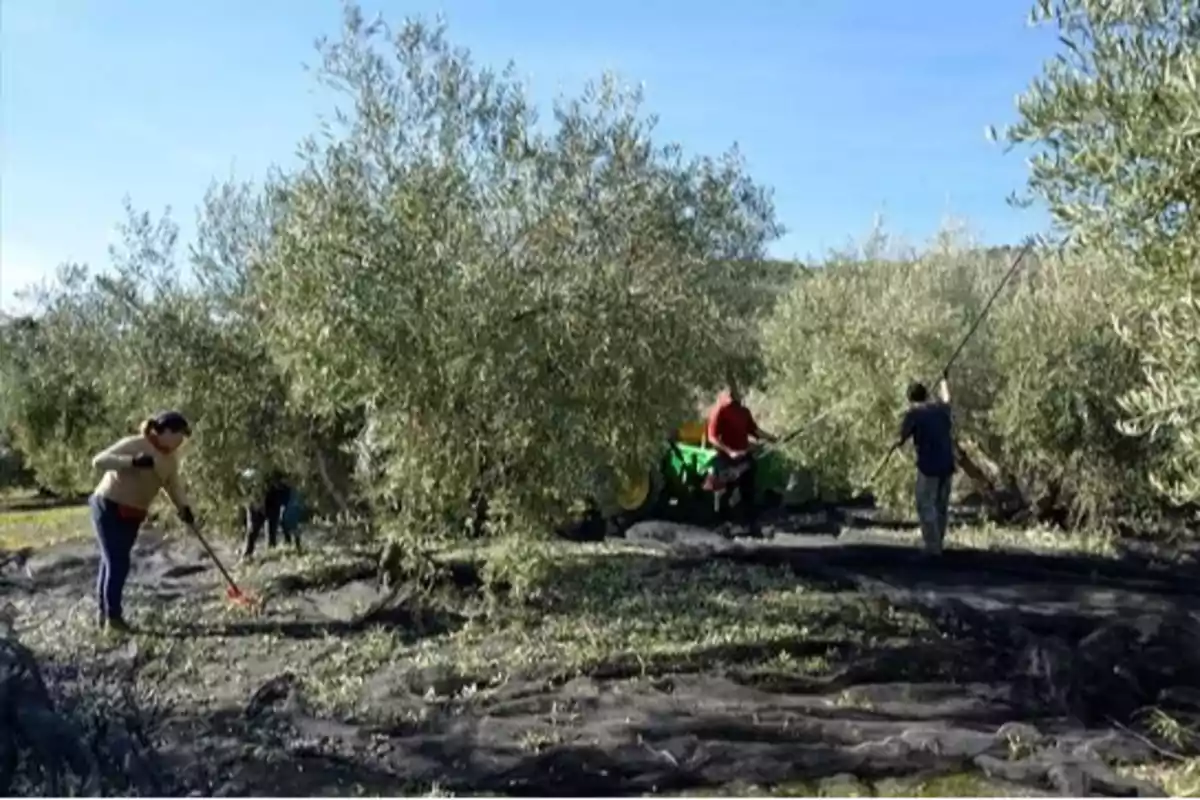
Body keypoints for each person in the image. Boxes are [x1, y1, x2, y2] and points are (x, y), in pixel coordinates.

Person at [89, 410, 197, 633]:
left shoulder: (170, 460)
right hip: (108, 505)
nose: (180, 441)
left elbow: (173, 486)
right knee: (117, 562)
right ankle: (113, 618)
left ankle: (105, 615)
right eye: (179, 435)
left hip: (133, 513)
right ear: (165, 431)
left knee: (112, 562)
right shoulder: (136, 444)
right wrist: (132, 462)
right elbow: (99, 461)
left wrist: (184, 508)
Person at [706, 379, 777, 535]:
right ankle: (721, 526)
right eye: (730, 392)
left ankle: (751, 526)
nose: (734, 394)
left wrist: (772, 438)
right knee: (724, 493)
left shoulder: (744, 412)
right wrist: (729, 451)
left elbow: (754, 430)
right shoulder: (719, 411)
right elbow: (712, 437)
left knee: (749, 492)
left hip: (744, 458)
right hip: (725, 458)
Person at [897, 373, 955, 555]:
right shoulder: (940, 410)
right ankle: (938, 543)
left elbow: (901, 437)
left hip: (928, 467)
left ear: (910, 399)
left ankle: (933, 547)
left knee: (925, 504)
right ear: (926, 395)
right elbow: (947, 399)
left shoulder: (913, 414)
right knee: (941, 506)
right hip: (947, 464)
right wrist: (944, 381)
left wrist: (896, 442)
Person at [239, 468, 298, 560]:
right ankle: (247, 555)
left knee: (271, 532)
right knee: (253, 531)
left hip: (271, 503)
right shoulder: (254, 480)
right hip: (258, 505)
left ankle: (270, 553)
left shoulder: (275, 481)